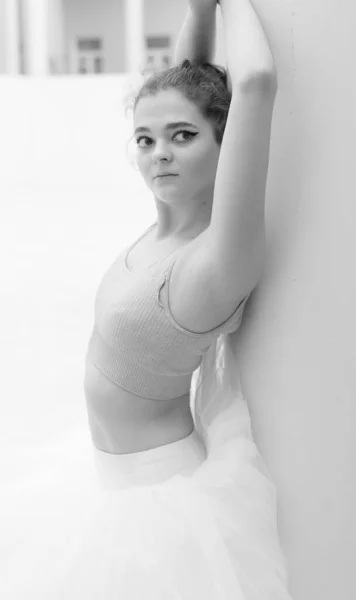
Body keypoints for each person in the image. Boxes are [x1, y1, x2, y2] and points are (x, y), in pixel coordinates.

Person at [0, 1, 293, 598]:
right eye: (145, 138)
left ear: (223, 143)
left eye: (183, 137)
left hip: (154, 503)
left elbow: (256, 82)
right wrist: (199, 9)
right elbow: (188, 78)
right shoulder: (167, 225)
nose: (159, 152)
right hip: (104, 479)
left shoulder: (218, 255)